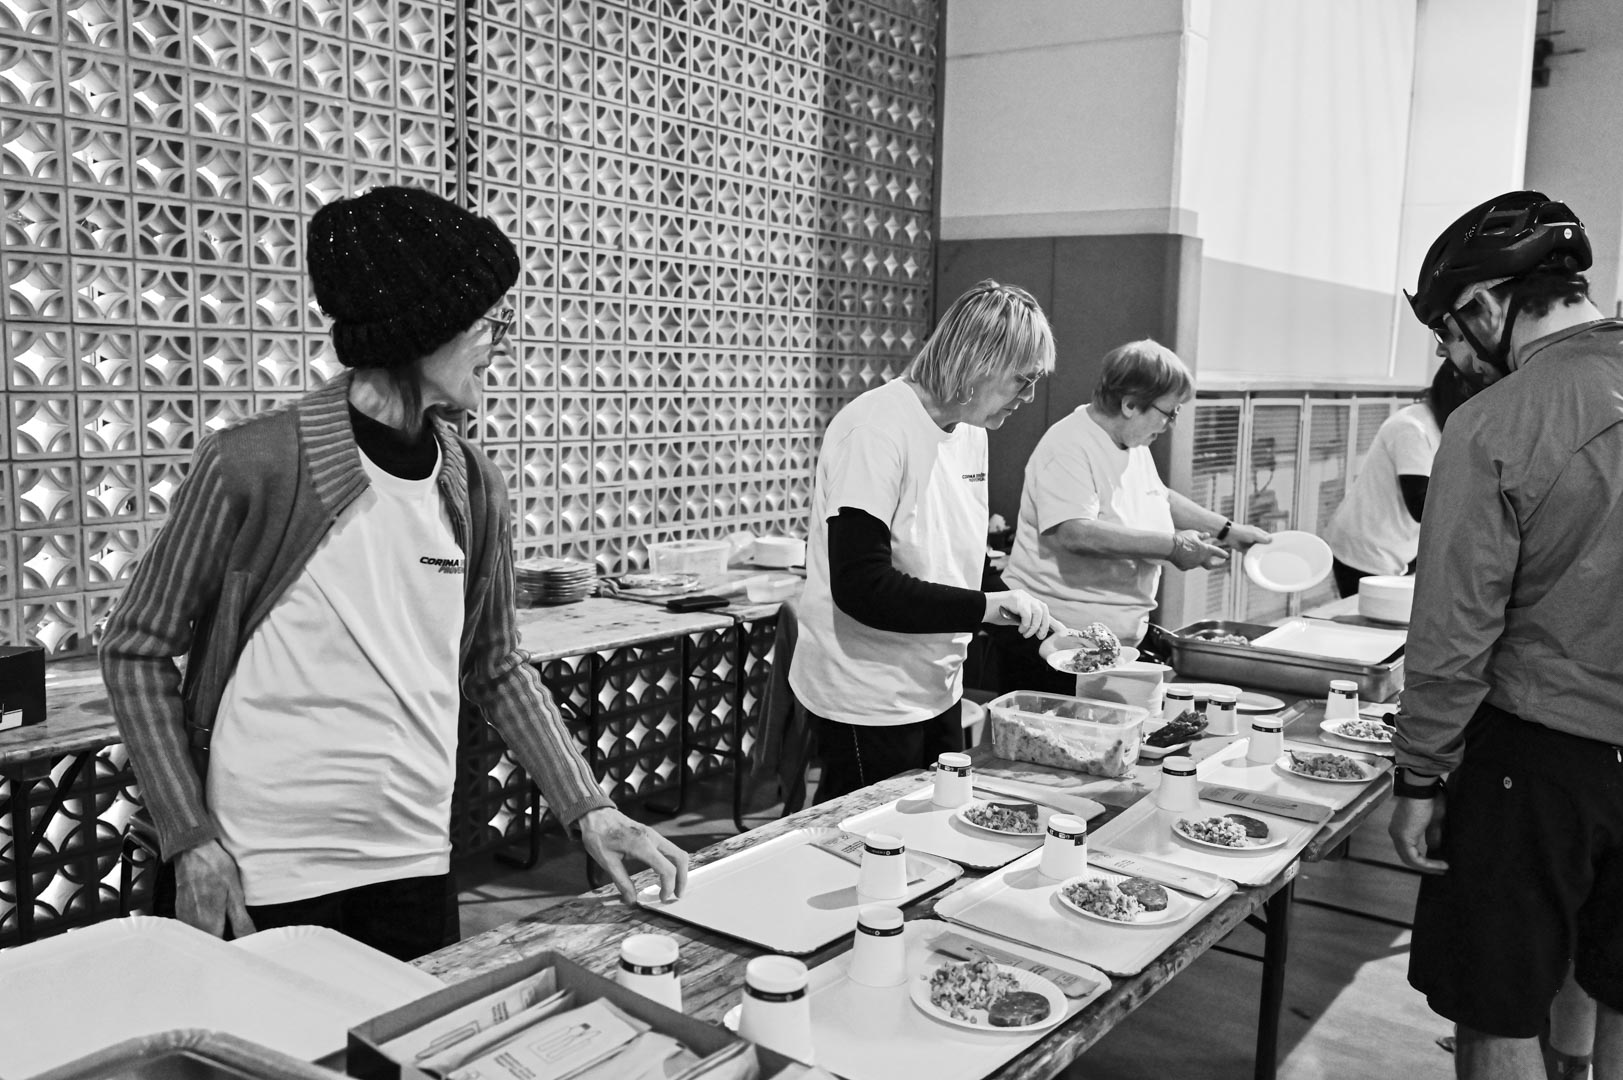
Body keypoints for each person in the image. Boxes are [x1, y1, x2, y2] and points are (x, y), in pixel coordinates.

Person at [100, 186, 687, 961]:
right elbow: (134, 647)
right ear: (423, 329)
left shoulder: (472, 483)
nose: (499, 343)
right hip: (263, 864)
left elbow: (496, 665)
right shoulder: (254, 464)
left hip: (414, 855)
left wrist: (589, 808)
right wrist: (189, 837)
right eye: (487, 323)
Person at [1389, 190, 1623, 1080]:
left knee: (1495, 1006)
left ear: (1487, 304)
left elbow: (1452, 630)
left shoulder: (1494, 421)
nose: (1451, 356)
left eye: (1447, 331)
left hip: (1539, 758)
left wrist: (1419, 776)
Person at [789, 280, 1061, 802]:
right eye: (1022, 380)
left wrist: (1036, 628)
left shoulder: (971, 432)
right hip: (867, 693)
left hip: (938, 684)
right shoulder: (876, 429)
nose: (1028, 397)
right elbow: (861, 586)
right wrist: (984, 608)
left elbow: (962, 565)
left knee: (939, 826)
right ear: (980, 361)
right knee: (865, 841)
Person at [996, 339, 1270, 694]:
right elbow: (1075, 532)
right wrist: (1173, 547)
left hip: (1111, 642)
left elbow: (1158, 496)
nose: (1171, 423)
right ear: (1129, 405)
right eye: (1169, 412)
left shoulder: (1130, 441)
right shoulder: (1069, 445)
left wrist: (1227, 529)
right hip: (1056, 641)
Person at [1324, 359, 1476, 598]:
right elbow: (1422, 505)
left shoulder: (1449, 427)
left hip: (1401, 548)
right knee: (1375, 618)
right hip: (1367, 548)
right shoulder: (1412, 427)